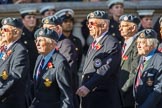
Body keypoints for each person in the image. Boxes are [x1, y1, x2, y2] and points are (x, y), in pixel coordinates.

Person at [76, 10, 121, 108]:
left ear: (104, 25)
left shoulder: (111, 43)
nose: (89, 26)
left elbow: (106, 68)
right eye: (88, 23)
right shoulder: (94, 43)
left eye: (92, 23)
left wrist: (88, 86)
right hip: (91, 97)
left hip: (103, 98)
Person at [30, 28, 74, 108]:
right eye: (36, 41)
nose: (37, 44)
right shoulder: (39, 58)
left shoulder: (60, 62)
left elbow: (66, 95)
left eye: (40, 41)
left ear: (52, 43)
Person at [0, 17, 30, 108]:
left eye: (5, 29)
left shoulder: (20, 50)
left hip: (11, 102)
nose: (2, 32)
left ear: (16, 32)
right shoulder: (4, 48)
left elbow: (16, 76)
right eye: (1, 29)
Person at [55, 8, 83, 89]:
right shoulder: (56, 41)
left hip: (73, 78)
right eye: (65, 22)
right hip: (59, 77)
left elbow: (78, 61)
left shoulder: (77, 41)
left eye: (70, 21)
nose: (69, 24)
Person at [134, 29, 162, 108]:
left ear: (152, 44)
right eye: (137, 43)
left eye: (142, 43)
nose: (138, 46)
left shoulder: (159, 60)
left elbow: (158, 90)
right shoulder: (142, 58)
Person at [118, 14, 141, 108]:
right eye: (120, 26)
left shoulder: (138, 45)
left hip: (129, 94)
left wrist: (123, 89)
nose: (120, 29)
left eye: (124, 26)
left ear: (133, 28)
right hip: (119, 92)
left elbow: (135, 71)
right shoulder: (121, 44)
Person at [19, 8, 39, 79]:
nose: (32, 19)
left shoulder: (40, 33)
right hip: (25, 71)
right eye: (29, 17)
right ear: (23, 20)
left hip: (38, 69)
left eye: (34, 17)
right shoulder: (19, 35)